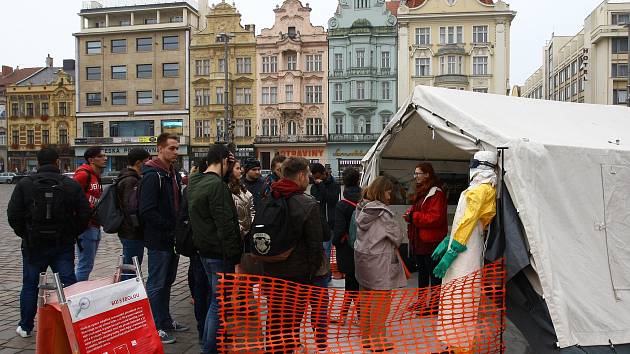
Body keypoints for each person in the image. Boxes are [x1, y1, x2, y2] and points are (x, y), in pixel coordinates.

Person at [8, 148, 91, 338]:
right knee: (68, 284)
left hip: (33, 244)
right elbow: (85, 213)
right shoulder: (70, 185)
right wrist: (71, 232)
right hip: (62, 244)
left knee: (30, 285)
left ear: (37, 163)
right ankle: (72, 322)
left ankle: (26, 326)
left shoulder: (25, 184)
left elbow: (13, 214)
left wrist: (25, 233)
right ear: (57, 162)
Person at [432, 151, 497, 353]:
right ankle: (453, 344)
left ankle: (460, 347)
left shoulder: (480, 190)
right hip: (462, 244)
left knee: (462, 297)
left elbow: (469, 221)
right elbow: (463, 221)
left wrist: (452, 250)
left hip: (465, 250)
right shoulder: (478, 189)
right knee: (453, 296)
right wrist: (447, 240)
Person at [263, 157, 325, 353]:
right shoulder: (308, 204)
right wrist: (311, 273)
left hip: (271, 270)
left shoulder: (269, 196)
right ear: (300, 175)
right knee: (291, 323)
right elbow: (315, 245)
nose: (308, 178)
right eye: (307, 174)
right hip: (297, 275)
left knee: (274, 320)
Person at [188, 144, 242, 354]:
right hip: (220, 254)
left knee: (213, 300)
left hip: (203, 251)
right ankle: (211, 349)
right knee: (219, 305)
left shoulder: (195, 181)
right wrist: (235, 256)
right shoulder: (216, 186)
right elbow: (226, 223)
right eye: (229, 162)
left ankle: (208, 344)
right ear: (222, 160)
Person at [139, 133, 188, 344]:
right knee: (157, 283)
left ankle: (165, 320)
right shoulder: (153, 175)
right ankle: (154, 326)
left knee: (168, 281)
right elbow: (147, 210)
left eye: (177, 148)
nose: (176, 152)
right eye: (172, 148)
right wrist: (170, 227)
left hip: (171, 239)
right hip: (159, 239)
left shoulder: (172, 173)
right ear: (160, 148)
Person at [354, 176, 406, 352]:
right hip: (380, 261)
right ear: (382, 191)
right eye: (389, 191)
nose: (390, 196)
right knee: (381, 304)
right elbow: (397, 237)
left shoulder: (361, 208)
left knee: (365, 302)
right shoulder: (384, 213)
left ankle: (366, 338)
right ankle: (378, 341)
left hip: (363, 259)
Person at [404, 163, 448, 315]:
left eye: (419, 173)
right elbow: (421, 212)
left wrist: (414, 216)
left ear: (427, 174)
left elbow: (436, 218)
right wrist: (411, 214)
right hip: (421, 240)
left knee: (433, 274)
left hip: (431, 241)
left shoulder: (436, 193)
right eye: (415, 173)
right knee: (422, 272)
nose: (416, 176)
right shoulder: (423, 192)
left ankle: (434, 306)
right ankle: (422, 302)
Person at [331, 167, 362, 324]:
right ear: (358, 180)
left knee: (351, 283)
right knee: (357, 283)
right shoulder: (365, 200)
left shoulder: (342, 205)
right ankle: (350, 315)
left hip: (347, 249)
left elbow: (338, 230)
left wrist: (336, 242)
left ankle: (357, 316)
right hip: (365, 247)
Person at [117, 148, 150, 280]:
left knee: (129, 264)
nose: (148, 165)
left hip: (127, 230)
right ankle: (128, 295)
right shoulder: (132, 180)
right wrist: (138, 227)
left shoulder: (125, 176)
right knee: (132, 267)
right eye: (146, 162)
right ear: (138, 162)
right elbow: (132, 208)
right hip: (132, 232)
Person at [73, 146, 106, 281]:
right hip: (86, 226)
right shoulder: (83, 175)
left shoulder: (95, 176)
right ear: (92, 160)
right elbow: (72, 196)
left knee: (88, 264)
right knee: (85, 265)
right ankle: (75, 294)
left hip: (95, 225)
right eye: (101, 156)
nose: (105, 158)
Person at [309, 162, 341, 285]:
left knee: (334, 251)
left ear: (324, 174)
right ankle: (326, 277)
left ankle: (332, 274)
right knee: (325, 252)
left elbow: (332, 200)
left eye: (318, 176)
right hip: (322, 224)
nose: (316, 179)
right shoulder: (314, 187)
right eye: (314, 177)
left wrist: (322, 186)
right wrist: (319, 186)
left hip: (334, 222)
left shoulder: (335, 184)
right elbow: (318, 201)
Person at [228, 160, 257, 274]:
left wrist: (251, 225)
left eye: (240, 168)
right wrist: (239, 228)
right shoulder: (226, 188)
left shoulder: (241, 186)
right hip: (237, 235)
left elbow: (251, 208)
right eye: (237, 168)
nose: (241, 170)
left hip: (247, 233)